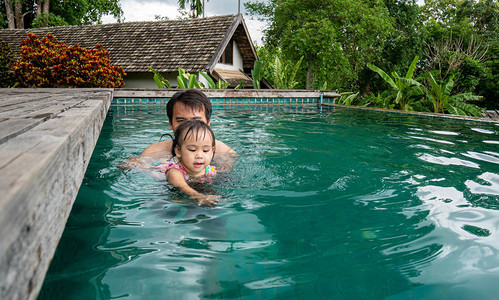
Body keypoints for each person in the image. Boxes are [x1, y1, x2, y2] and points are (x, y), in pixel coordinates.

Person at [140, 89, 236, 157]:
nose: (188, 127)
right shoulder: (155, 151)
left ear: (208, 123)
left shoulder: (224, 153)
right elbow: (131, 167)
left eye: (196, 121)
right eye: (181, 121)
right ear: (170, 124)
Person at [156, 120, 219, 206]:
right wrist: (199, 196)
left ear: (212, 151)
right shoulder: (175, 172)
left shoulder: (209, 170)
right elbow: (183, 187)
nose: (199, 156)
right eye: (192, 150)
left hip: (193, 183)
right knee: (176, 201)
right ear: (178, 151)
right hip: (160, 173)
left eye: (205, 150)